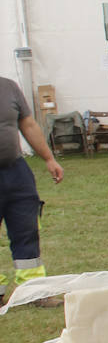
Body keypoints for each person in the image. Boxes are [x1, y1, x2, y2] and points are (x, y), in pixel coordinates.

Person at [0, 77, 62, 302]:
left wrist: (48, 158)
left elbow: (27, 124)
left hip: (16, 172)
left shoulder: (8, 87)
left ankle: (33, 291)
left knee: (27, 229)